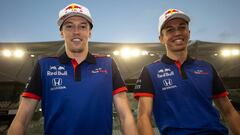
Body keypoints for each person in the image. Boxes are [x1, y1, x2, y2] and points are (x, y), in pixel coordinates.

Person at [7, 3, 138, 135]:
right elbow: (21, 120)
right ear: (61, 32)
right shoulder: (44, 66)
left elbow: (125, 116)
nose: (76, 31)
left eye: (82, 26)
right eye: (69, 26)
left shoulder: (108, 64)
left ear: (90, 32)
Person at [134, 8, 240, 135]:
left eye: (182, 27)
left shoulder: (207, 68)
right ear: (161, 38)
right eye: (170, 30)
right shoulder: (150, 71)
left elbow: (228, 111)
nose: (177, 33)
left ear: (188, 32)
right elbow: (143, 117)